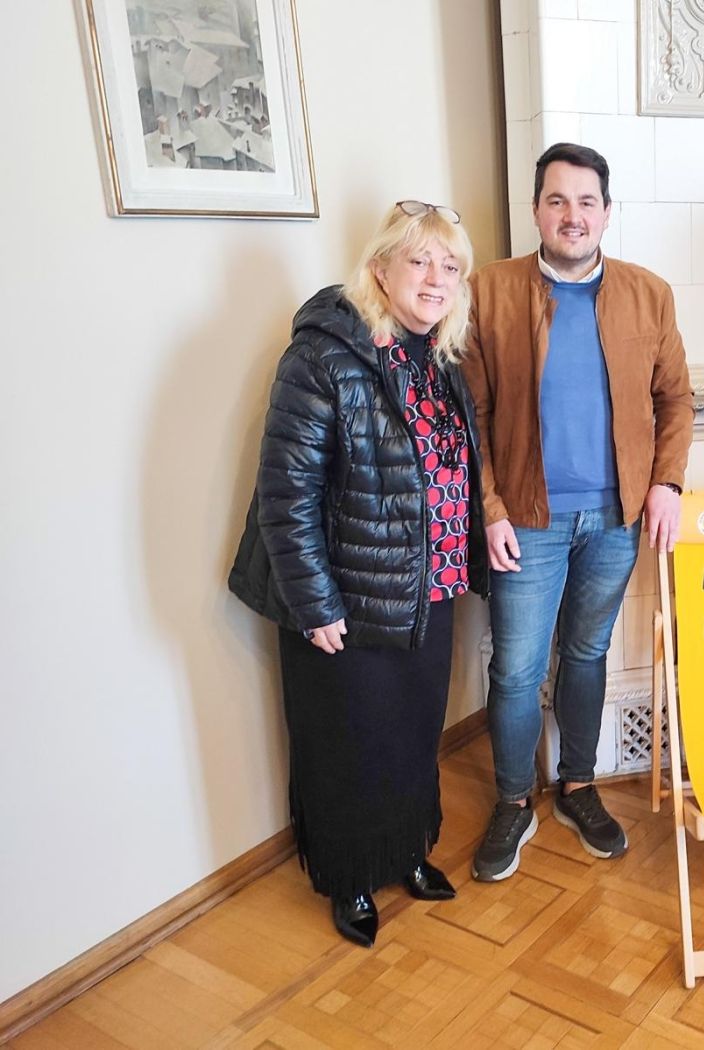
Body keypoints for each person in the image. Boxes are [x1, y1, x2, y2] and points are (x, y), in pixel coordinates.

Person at [229, 200, 485, 947]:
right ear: (379, 269)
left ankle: (404, 853)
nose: (436, 278)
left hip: (425, 592)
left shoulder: (436, 358)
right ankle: (349, 878)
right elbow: (286, 494)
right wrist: (315, 605)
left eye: (450, 266)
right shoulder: (322, 357)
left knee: (410, 739)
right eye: (419, 260)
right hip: (344, 598)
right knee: (348, 747)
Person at [463, 143, 694, 882]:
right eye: (557, 200)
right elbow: (470, 415)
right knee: (516, 669)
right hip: (525, 520)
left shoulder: (649, 294)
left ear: (607, 212)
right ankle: (513, 801)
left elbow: (676, 400)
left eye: (586, 201)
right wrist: (490, 509)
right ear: (536, 210)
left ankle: (578, 786)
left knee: (587, 654)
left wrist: (667, 483)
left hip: (615, 519)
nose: (572, 215)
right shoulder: (488, 291)